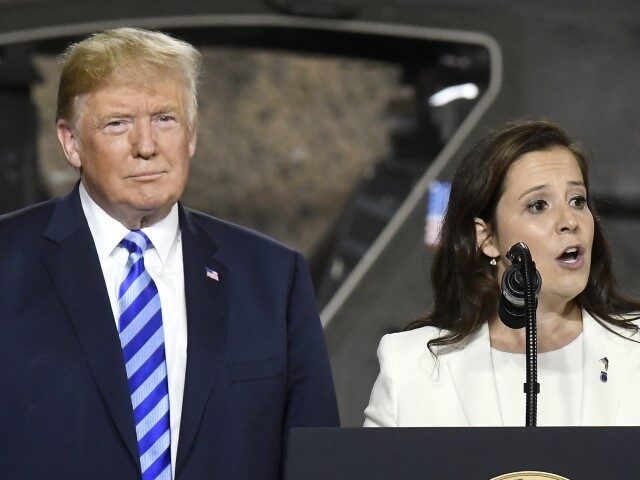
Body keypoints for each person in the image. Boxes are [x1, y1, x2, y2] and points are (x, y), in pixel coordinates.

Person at [0, 28, 339, 479]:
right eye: (117, 123)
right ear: (71, 142)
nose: (146, 146)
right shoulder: (8, 264)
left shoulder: (273, 278)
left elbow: (315, 459)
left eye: (165, 119)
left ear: (192, 136)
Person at [364, 120, 640, 427]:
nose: (569, 221)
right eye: (538, 205)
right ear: (487, 238)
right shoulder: (409, 367)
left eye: (577, 201)